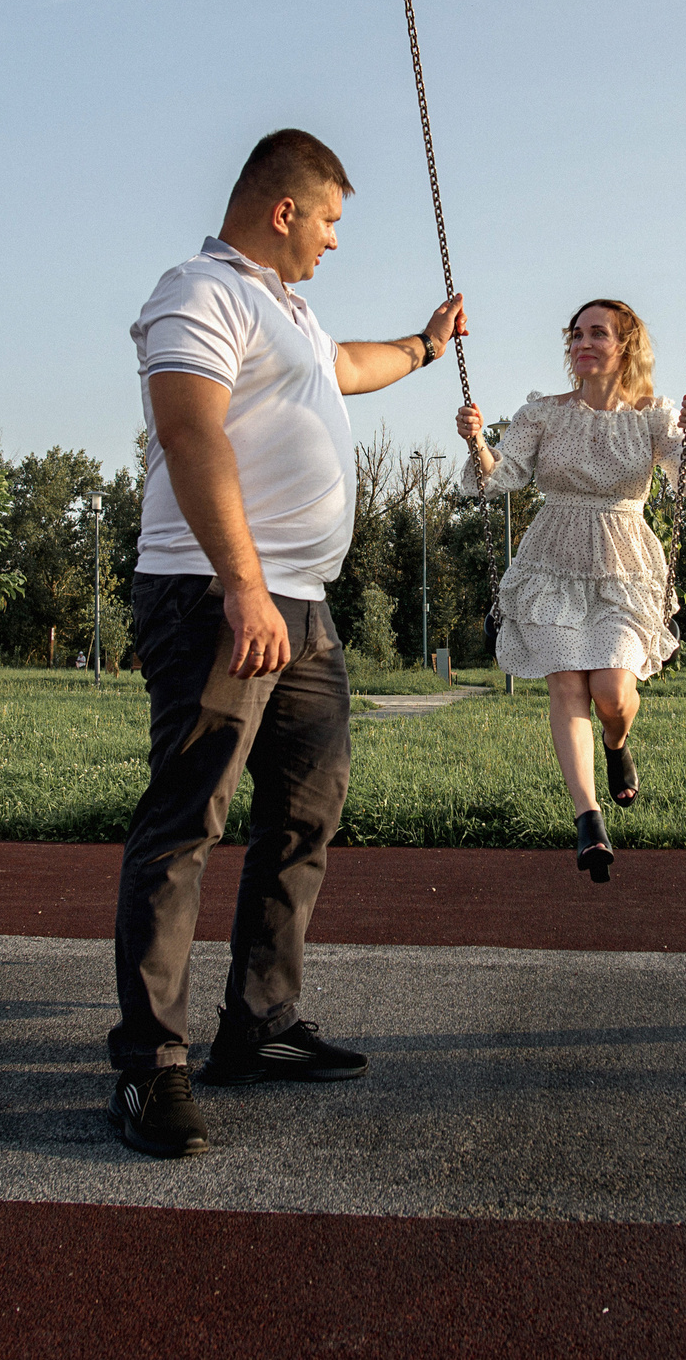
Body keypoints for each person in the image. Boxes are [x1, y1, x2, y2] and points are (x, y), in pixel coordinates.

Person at [112, 128, 465, 1159]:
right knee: (188, 822)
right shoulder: (199, 290)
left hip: (300, 606)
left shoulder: (294, 313)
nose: (335, 241)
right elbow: (190, 432)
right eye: (330, 221)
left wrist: (425, 346)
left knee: (303, 818)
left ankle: (259, 1024)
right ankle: (148, 1066)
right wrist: (242, 584)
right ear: (282, 212)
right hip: (219, 596)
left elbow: (348, 365)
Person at [456, 299, 686, 883]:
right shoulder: (545, 413)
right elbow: (500, 478)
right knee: (565, 680)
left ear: (624, 345)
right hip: (552, 555)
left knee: (611, 689)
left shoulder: (652, 416)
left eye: (597, 333)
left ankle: (616, 739)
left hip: (625, 561)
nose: (582, 342)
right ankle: (587, 818)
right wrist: (478, 443)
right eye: (575, 333)